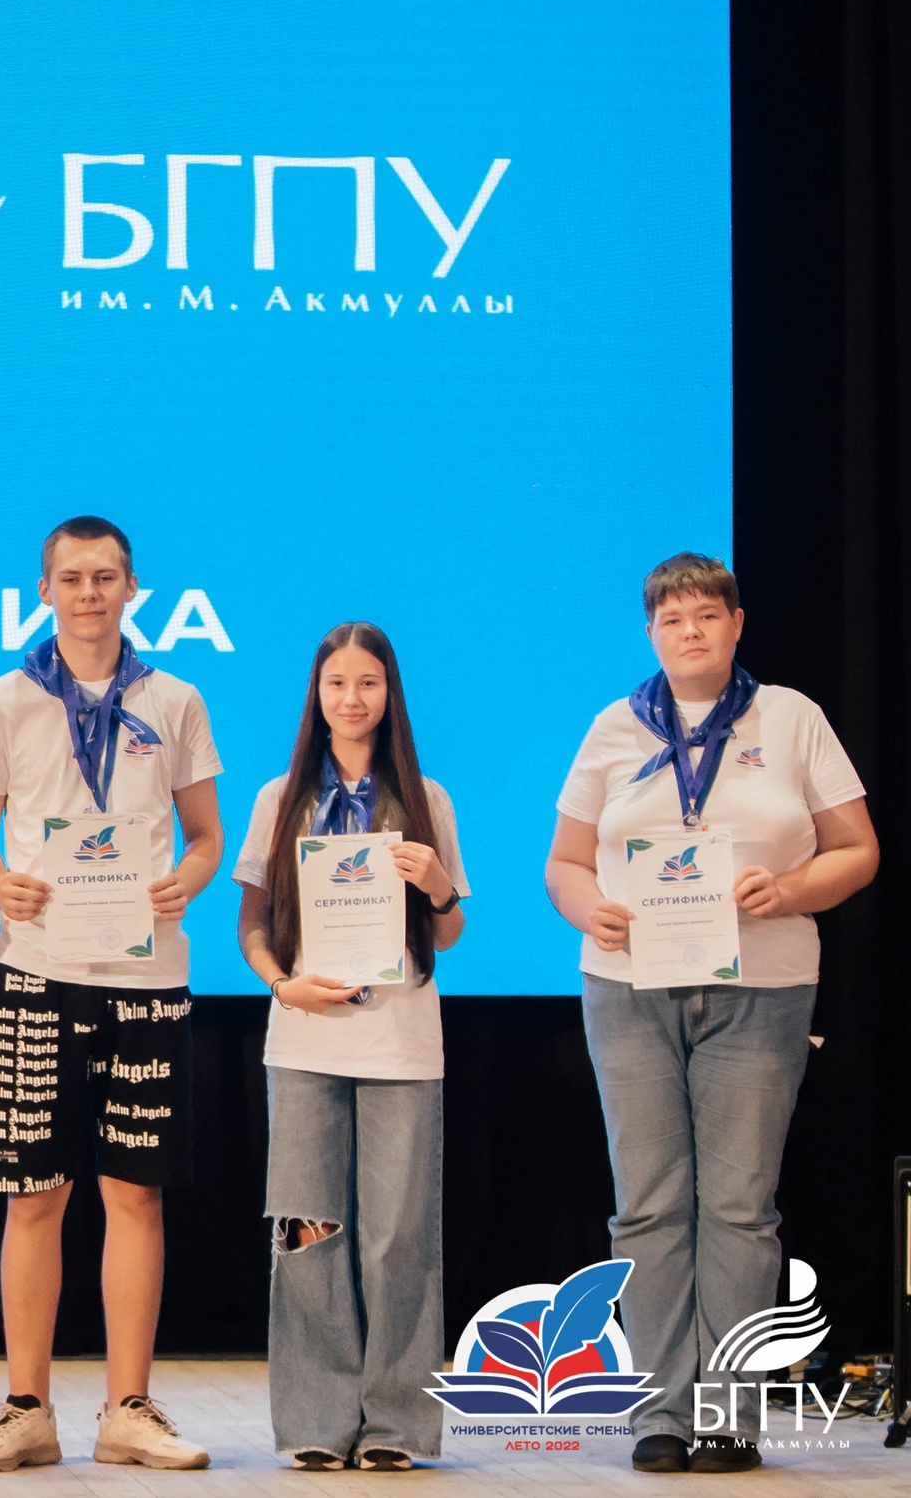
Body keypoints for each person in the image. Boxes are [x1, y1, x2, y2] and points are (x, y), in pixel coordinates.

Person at [544, 553, 876, 1476]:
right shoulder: (613, 727)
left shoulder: (792, 717)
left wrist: (793, 888)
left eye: (705, 615)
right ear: (650, 634)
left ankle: (728, 1416)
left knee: (738, 1207)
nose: (689, 631)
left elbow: (858, 850)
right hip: (630, 987)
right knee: (648, 1205)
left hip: (763, 988)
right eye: (671, 619)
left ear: (737, 624)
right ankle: (659, 1413)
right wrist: (590, 909)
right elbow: (565, 864)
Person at [0, 516, 223, 1472]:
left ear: (131, 587)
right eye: (71, 578)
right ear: (45, 591)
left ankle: (128, 1409)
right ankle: (27, 1408)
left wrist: (185, 882)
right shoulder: (1, 701)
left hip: (147, 975)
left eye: (105, 577)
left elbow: (206, 837)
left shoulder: (176, 698)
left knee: (135, 1195)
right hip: (37, 970)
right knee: (34, 1196)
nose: (89, 594)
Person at [232, 623, 467, 1471]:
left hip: (401, 1045)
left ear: (389, 693)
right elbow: (252, 924)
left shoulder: (426, 798)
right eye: (337, 683)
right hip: (304, 1043)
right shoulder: (281, 798)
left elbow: (451, 931)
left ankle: (397, 1425)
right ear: (317, 694)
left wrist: (438, 887)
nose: (352, 698)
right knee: (309, 1234)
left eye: (368, 682)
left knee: (399, 1238)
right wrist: (280, 982)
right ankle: (316, 1421)